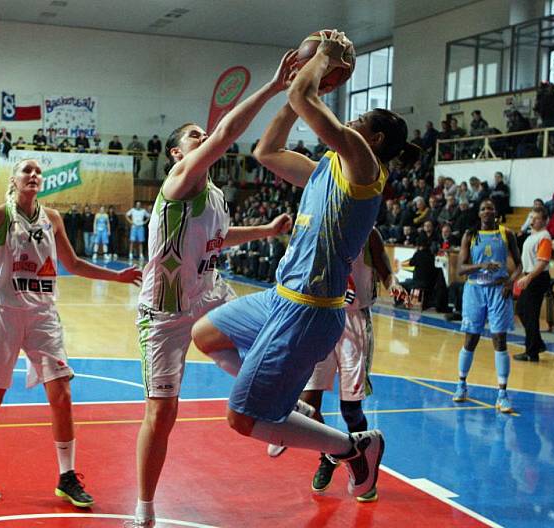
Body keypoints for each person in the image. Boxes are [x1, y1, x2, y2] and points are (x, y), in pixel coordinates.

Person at [191, 31, 418, 512]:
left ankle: (353, 448)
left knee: (243, 419)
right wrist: (295, 84)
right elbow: (267, 151)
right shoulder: (325, 167)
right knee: (206, 333)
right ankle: (290, 407)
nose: (347, 121)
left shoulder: (362, 168)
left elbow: (303, 96)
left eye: (356, 119)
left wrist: (324, 61)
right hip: (279, 298)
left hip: (311, 312)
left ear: (372, 139)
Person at [126, 50, 298, 528]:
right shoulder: (179, 181)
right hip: (163, 314)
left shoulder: (216, 195)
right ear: (178, 155)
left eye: (201, 136)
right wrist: (272, 87)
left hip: (210, 297)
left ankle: (280, 410)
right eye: (194, 138)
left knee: (268, 340)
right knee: (162, 415)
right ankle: (144, 508)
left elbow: (220, 238)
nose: (204, 140)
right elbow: (225, 135)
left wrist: (263, 230)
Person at [0, 158, 141, 505]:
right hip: (3, 315)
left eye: (38, 172)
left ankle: (67, 476)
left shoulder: (53, 219)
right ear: (14, 180)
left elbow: (74, 264)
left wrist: (117, 276)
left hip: (43, 316)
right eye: (27, 171)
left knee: (62, 395)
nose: (34, 175)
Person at [266, 228, 405, 503]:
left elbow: (383, 267)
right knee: (309, 405)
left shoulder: (369, 232)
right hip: (321, 318)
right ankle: (330, 455)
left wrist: (394, 284)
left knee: (351, 408)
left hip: (354, 324)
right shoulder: (320, 228)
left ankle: (361, 469)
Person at [452, 199, 522, 413]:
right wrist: (481, 265)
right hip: (475, 289)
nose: (487, 211)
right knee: (471, 339)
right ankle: (462, 384)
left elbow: (519, 265)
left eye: (490, 207)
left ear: (495, 212)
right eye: (483, 208)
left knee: (499, 339)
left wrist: (511, 282)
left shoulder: (506, 234)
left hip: (499, 290)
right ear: (479, 213)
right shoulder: (469, 235)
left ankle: (502, 394)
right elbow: (460, 270)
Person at [514, 206, 552, 362]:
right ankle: (537, 344)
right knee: (522, 310)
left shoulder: (545, 237)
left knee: (530, 314)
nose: (532, 220)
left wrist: (529, 278)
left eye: (536, 218)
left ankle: (532, 351)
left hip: (537, 277)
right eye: (531, 217)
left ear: (544, 221)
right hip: (530, 276)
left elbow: (542, 262)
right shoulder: (532, 236)